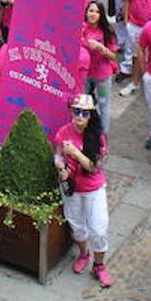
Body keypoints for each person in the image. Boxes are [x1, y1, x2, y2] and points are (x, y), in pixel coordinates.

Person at [56, 93, 112, 287]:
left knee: (99, 228)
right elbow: (57, 155)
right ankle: (83, 253)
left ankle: (99, 264)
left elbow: (93, 167)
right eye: (76, 111)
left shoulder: (98, 137)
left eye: (84, 113)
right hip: (72, 188)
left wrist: (76, 153)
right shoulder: (63, 132)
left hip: (93, 189)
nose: (79, 116)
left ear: (91, 116)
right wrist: (61, 167)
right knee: (77, 225)